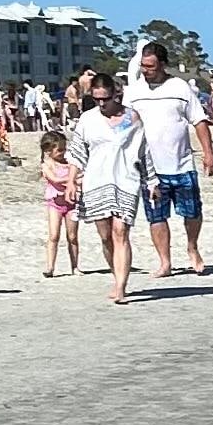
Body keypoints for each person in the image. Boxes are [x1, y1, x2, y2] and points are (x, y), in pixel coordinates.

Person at [123, 42, 213, 276]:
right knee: (156, 216)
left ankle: (192, 247)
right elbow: (128, 125)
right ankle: (165, 262)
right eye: (143, 66)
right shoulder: (134, 91)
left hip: (182, 163)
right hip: (149, 169)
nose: (146, 71)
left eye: (151, 66)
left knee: (192, 212)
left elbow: (199, 121)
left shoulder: (180, 87)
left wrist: (209, 153)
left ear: (163, 64)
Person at [68, 73, 152, 303]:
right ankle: (116, 274)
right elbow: (77, 152)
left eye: (106, 98)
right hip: (96, 181)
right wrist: (71, 181)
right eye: (97, 99)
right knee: (105, 236)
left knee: (120, 232)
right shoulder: (88, 119)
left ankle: (121, 286)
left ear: (115, 95)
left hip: (126, 180)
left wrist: (152, 181)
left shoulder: (132, 118)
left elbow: (144, 151)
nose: (102, 103)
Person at [39, 130, 80, 276]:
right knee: (54, 235)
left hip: (72, 203)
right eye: (59, 150)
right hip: (55, 204)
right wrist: (71, 180)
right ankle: (50, 267)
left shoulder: (70, 163)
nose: (63, 153)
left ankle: (75, 266)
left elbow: (82, 177)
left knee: (73, 236)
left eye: (64, 149)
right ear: (48, 151)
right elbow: (54, 179)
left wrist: (74, 180)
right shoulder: (47, 164)